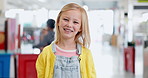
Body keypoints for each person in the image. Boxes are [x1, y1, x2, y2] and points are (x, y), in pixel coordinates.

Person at [36, 3, 96, 78]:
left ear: (81, 27)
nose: (69, 25)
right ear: (58, 21)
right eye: (66, 19)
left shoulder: (86, 54)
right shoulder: (46, 53)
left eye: (75, 22)